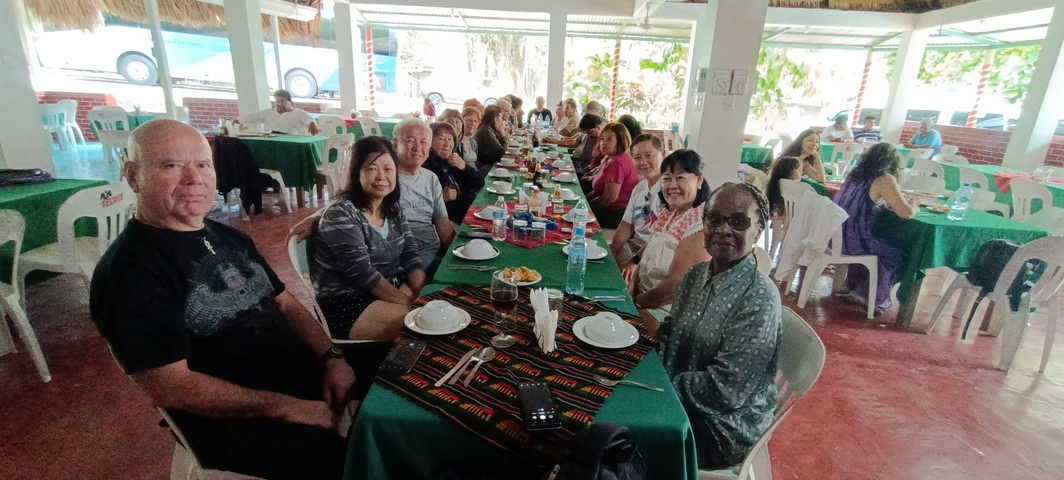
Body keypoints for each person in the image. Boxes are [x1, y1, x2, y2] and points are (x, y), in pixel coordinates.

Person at [90, 120, 352, 479]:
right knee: (360, 462)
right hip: (240, 422)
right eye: (171, 165)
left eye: (202, 164)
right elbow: (172, 386)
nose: (193, 178)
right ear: (134, 176)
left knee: (404, 391)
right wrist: (287, 408)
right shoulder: (130, 271)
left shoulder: (229, 236)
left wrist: (331, 356)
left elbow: (285, 302)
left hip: (301, 382)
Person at [656, 182, 781, 469]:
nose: (723, 229)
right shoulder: (695, 276)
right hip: (679, 398)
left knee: (622, 439)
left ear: (758, 230)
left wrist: (661, 387)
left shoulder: (758, 298)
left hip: (723, 426)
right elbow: (669, 336)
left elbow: (725, 390)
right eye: (714, 219)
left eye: (738, 221)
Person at [313, 136, 426, 342]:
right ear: (356, 172)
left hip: (387, 288)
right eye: (372, 169)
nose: (381, 176)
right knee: (421, 326)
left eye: (388, 169)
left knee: (441, 310)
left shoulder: (392, 209)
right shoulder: (342, 214)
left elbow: (411, 255)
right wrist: (410, 305)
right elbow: (363, 274)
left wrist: (423, 295)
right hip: (347, 301)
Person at [834, 143, 919, 310]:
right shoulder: (885, 179)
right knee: (897, 254)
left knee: (880, 245)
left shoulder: (855, 175)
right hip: (855, 240)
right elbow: (906, 213)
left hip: (835, 235)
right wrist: (915, 204)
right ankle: (865, 294)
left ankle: (852, 285)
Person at [631, 150, 711, 324]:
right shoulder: (669, 212)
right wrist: (632, 288)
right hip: (646, 300)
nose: (672, 185)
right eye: (667, 179)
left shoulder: (700, 222)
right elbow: (648, 253)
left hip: (671, 312)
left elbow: (675, 286)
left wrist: (637, 303)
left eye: (680, 178)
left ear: (699, 181)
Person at [393, 118, 456, 273]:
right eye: (410, 140)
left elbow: (442, 222)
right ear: (395, 144)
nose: (417, 148)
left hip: (432, 251)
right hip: (405, 258)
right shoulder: (387, 180)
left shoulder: (430, 178)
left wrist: (456, 252)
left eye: (423, 142)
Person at [611, 134, 665, 266]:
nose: (643, 162)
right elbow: (626, 225)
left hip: (655, 254)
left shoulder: (669, 190)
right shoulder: (639, 188)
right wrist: (612, 252)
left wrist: (633, 262)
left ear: (662, 154)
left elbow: (661, 240)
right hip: (634, 247)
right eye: (637, 158)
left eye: (648, 155)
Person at [425, 121, 484, 223]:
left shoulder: (451, 162)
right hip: (443, 222)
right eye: (441, 139)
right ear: (429, 141)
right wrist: (441, 198)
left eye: (450, 139)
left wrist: (465, 166)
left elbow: (480, 182)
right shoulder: (426, 165)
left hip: (462, 215)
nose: (447, 144)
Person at [588, 122, 639, 229]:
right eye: (602, 139)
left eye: (609, 139)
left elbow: (609, 198)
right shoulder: (611, 157)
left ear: (620, 142)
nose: (603, 143)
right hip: (610, 210)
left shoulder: (618, 163)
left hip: (614, 215)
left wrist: (587, 205)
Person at [235, 89, 319, 135]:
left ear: (290, 101)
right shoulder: (269, 112)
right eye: (277, 102)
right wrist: (238, 120)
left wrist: (312, 122)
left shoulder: (298, 112)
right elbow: (253, 116)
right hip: (268, 137)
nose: (280, 104)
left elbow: (309, 118)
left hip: (287, 139)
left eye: (283, 102)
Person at [472, 104, 508, 175]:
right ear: (495, 119)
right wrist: (503, 135)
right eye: (500, 118)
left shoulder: (489, 129)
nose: (501, 121)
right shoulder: (486, 130)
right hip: (483, 170)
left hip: (487, 166)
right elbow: (502, 153)